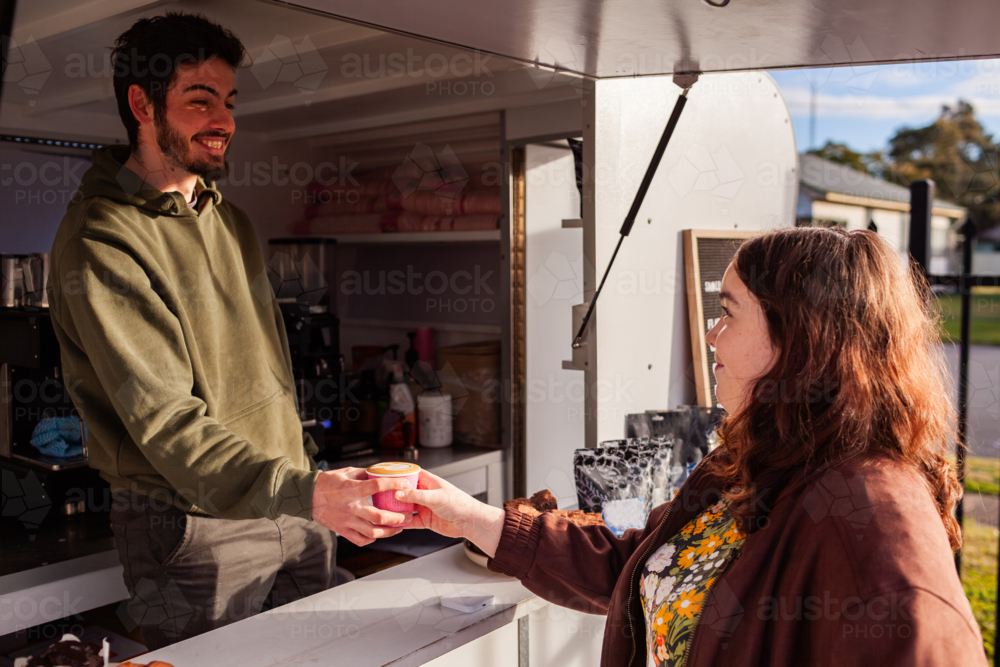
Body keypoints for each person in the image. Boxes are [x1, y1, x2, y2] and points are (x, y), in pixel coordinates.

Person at [398, 226, 988, 666]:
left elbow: (929, 636)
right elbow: (638, 566)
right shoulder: (760, 456)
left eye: (728, 313)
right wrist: (469, 518)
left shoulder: (871, 512)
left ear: (802, 342)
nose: (710, 333)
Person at [48, 13, 409, 650]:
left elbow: (270, 376)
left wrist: (308, 480)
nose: (225, 121)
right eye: (200, 100)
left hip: (294, 506)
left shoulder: (230, 220)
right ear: (142, 103)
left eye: (230, 101)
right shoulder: (102, 238)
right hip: (194, 529)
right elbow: (166, 424)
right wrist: (304, 489)